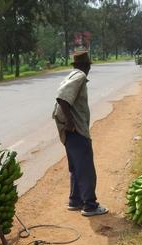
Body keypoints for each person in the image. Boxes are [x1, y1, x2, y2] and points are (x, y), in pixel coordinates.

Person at [52, 51, 108, 217]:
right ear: (87, 65)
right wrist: (70, 122)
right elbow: (62, 98)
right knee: (86, 169)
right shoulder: (80, 76)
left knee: (76, 168)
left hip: (69, 132)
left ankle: (75, 201)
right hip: (76, 130)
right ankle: (90, 205)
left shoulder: (72, 75)